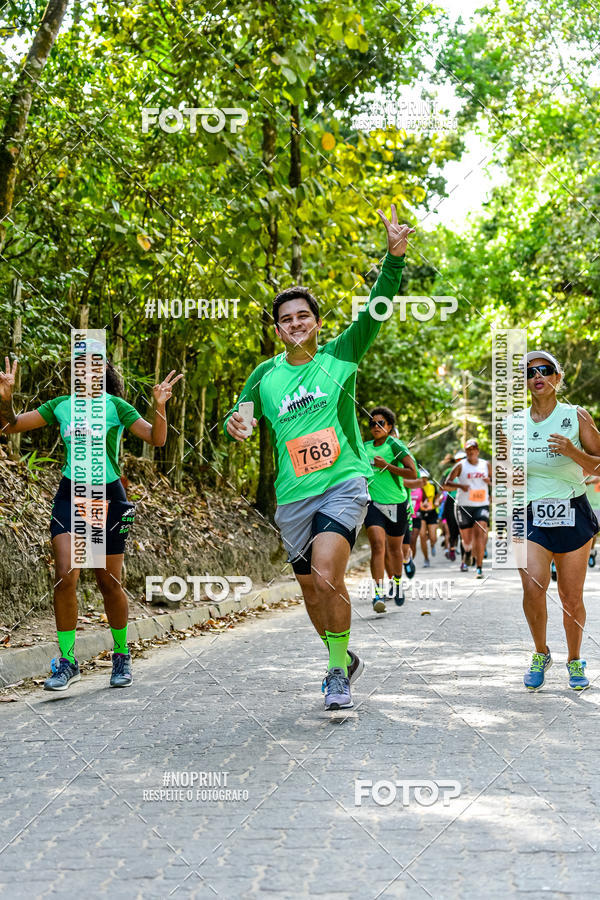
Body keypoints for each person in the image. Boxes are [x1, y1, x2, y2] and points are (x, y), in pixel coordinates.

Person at [224, 206, 414, 711]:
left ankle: (334, 675)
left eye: (303, 316)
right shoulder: (264, 376)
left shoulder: (339, 355)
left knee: (329, 574)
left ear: (316, 322)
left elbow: (375, 310)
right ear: (278, 330)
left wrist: (392, 260)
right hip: (292, 497)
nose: (295, 324)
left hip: (342, 483)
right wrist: (235, 424)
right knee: (311, 593)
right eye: (286, 319)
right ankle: (343, 655)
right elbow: (238, 417)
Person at [0, 345, 182, 692]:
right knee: (65, 574)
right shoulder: (61, 406)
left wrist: (159, 407)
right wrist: (6, 398)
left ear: (104, 371)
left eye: (95, 365)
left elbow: (157, 439)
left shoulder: (116, 407)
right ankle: (68, 661)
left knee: (108, 582)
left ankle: (121, 653)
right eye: (80, 366)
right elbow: (10, 426)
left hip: (109, 497)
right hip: (71, 494)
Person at [504, 350, 600, 691]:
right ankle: (541, 652)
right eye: (530, 373)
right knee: (533, 587)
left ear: (557, 378)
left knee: (571, 596)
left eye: (544, 370)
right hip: (529, 513)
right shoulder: (512, 423)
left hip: (572, 510)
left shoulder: (576, 416)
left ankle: (575, 659)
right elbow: (506, 475)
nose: (537, 376)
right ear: (526, 383)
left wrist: (572, 452)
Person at [363, 406, 417, 612]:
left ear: (390, 426)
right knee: (377, 546)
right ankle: (378, 593)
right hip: (373, 503)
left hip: (397, 503)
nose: (375, 426)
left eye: (381, 423)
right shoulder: (364, 446)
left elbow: (412, 473)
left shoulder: (395, 444)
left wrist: (387, 466)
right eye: (372, 423)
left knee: (395, 550)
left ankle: (396, 584)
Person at [442, 439, 490, 577]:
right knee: (467, 540)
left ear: (478, 451)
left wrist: (490, 481)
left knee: (480, 535)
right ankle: (467, 552)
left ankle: (479, 567)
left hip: (481, 504)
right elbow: (446, 483)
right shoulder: (460, 466)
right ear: (466, 451)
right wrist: (460, 486)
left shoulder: (485, 465)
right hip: (463, 506)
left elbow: (498, 480)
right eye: (468, 449)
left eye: (473, 449)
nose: (471, 452)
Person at [419, 472, 438, 568]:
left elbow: (438, 496)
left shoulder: (432, 486)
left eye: (424, 478)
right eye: (421, 478)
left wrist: (437, 501)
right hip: (420, 513)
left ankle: (432, 544)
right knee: (422, 536)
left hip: (432, 512)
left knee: (433, 536)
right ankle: (426, 559)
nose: (423, 480)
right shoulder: (416, 487)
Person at [584, 476, 600, 567]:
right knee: (588, 531)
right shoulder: (582, 469)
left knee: (594, 531)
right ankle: (589, 553)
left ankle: (591, 552)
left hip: (598, 506)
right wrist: (590, 482)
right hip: (585, 505)